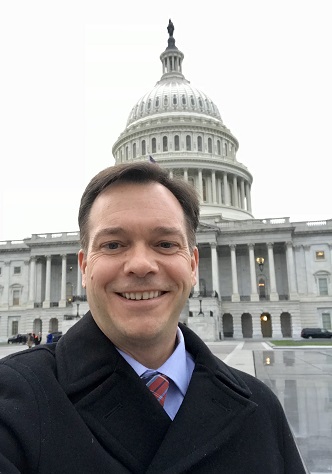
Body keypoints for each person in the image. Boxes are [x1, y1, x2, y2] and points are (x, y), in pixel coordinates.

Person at [0, 161, 306, 473]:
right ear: (84, 266)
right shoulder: (12, 401)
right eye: (114, 244)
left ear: (192, 264)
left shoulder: (262, 409)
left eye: (165, 244)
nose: (141, 265)